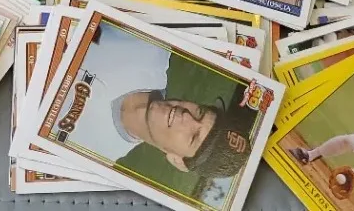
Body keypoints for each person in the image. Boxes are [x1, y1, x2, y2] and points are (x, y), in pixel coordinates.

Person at [60, 23, 253, 179]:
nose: (187, 117)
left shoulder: (90, 159)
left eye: (194, 136)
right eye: (200, 112)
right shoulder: (150, 43)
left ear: (177, 160)